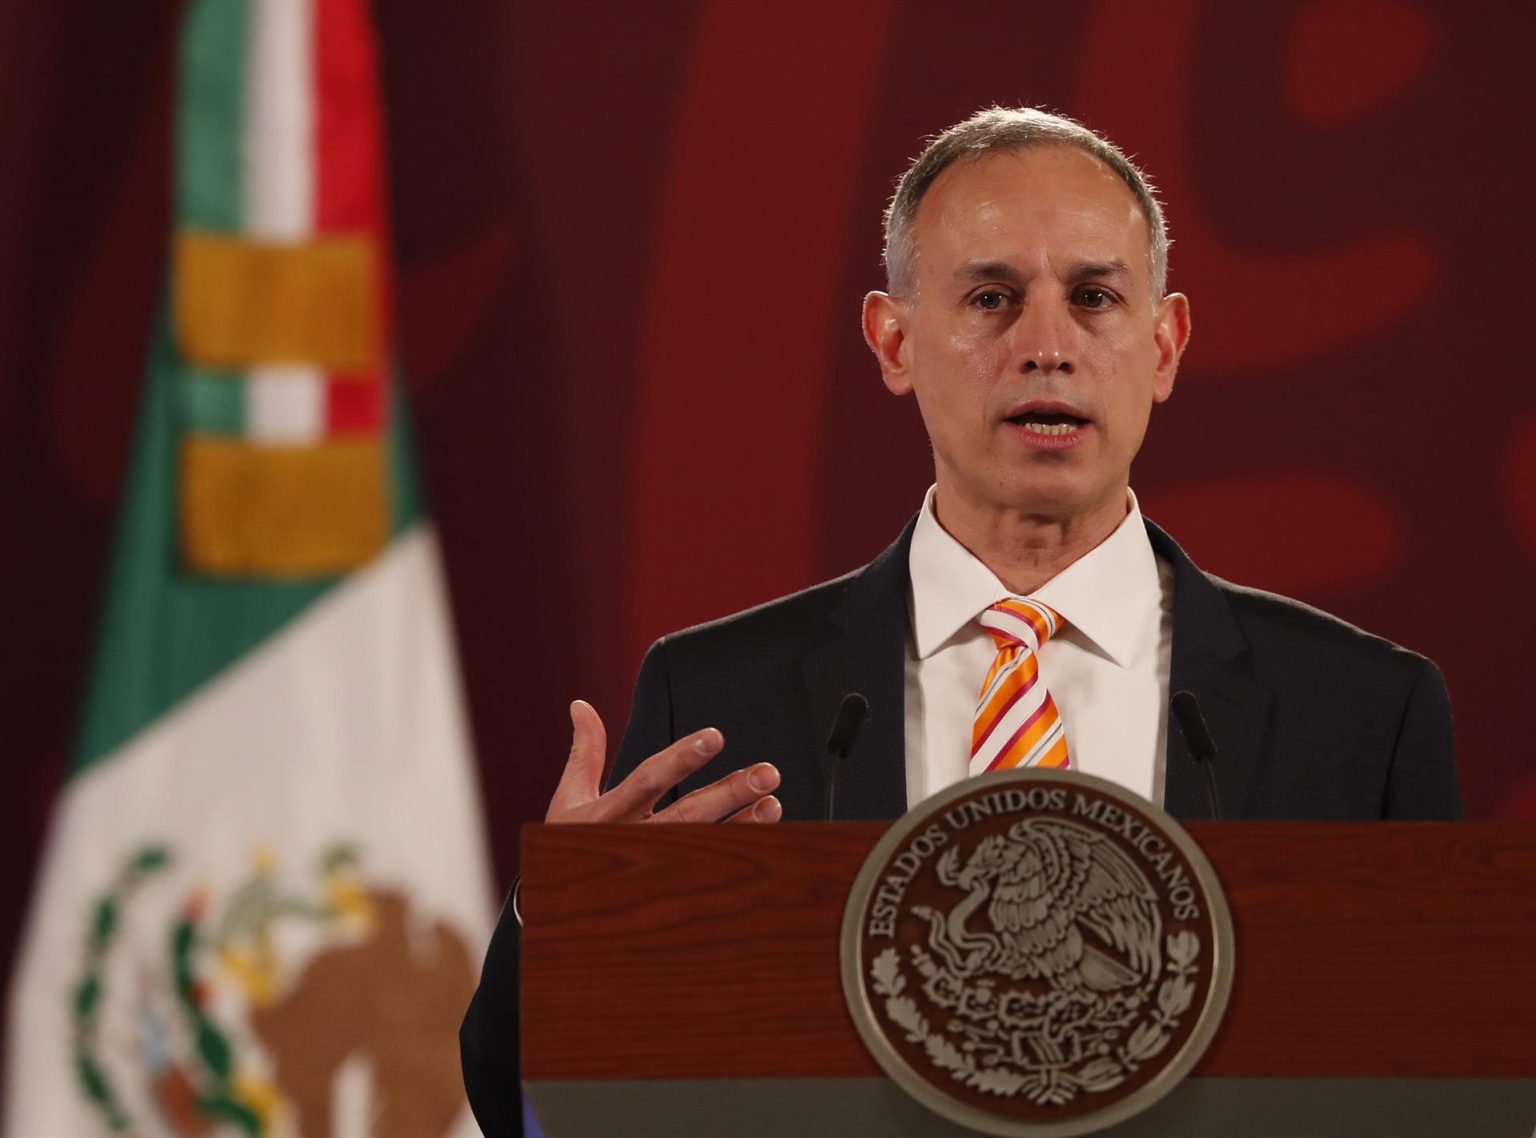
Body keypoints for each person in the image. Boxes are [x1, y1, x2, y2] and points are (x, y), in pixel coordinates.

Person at [460, 106, 1461, 1134]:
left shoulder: (1361, 714)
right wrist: (562, 931)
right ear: (894, 340)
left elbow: (1455, 1086)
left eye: (1095, 297)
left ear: (1163, 346)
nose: (1047, 347)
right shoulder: (723, 699)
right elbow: (534, 1111)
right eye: (991, 297)